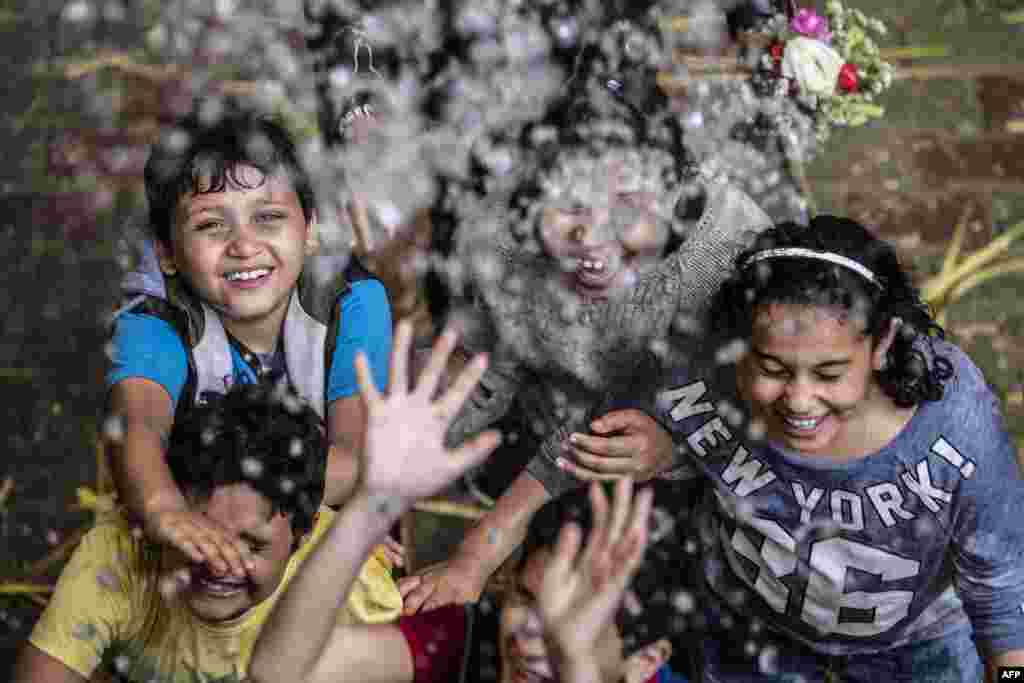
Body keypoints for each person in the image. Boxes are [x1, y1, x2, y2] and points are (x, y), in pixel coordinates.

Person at [398, 83, 772, 615]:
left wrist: (682, 446)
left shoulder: (727, 252)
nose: (591, 235)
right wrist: (387, 479)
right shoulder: (501, 236)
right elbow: (484, 370)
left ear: (676, 197)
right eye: (567, 202)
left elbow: (775, 402)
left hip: (704, 464)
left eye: (626, 205)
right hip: (551, 440)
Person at [654, 215, 1024, 682]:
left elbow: (1002, 582)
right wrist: (663, 438)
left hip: (917, 641)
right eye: (771, 368)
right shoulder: (701, 371)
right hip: (750, 622)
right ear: (736, 347)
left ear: (883, 343)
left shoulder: (951, 421)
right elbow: (634, 406)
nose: (799, 401)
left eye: (829, 373)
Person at [249, 320, 691, 683]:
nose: (529, 639)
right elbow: (277, 674)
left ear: (645, 662)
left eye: (571, 622)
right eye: (525, 599)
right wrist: (370, 505)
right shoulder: (469, 641)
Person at [105, 108, 395, 580]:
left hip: (315, 515)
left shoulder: (352, 302)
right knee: (124, 550)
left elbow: (361, 460)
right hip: (198, 519)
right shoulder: (153, 318)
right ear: (166, 253)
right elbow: (138, 429)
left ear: (312, 229)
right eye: (211, 226)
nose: (243, 245)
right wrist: (162, 509)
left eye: (268, 217)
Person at [12, 382, 402, 683]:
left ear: (304, 535)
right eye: (203, 532)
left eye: (252, 544)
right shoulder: (120, 552)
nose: (221, 561)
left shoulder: (352, 588)